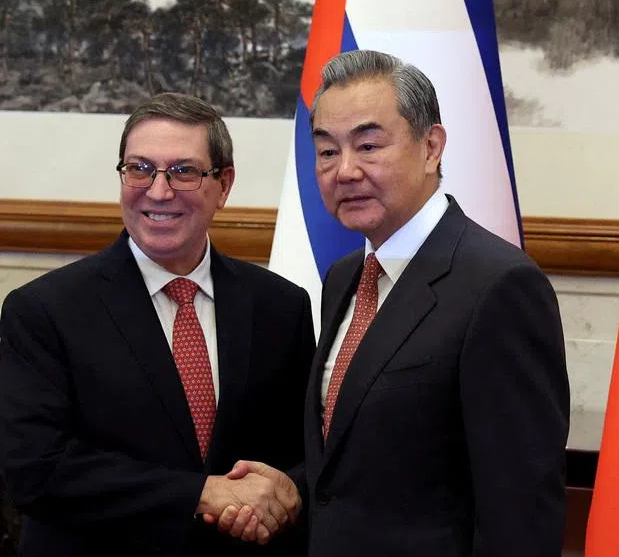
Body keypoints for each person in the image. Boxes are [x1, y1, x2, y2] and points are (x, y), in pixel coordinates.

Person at [227, 49, 570, 555]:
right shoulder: (345, 277)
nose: (345, 170)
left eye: (368, 145)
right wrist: (292, 488)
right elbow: (363, 462)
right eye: (327, 151)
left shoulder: (500, 286)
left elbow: (520, 510)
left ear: (431, 147)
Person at [0, 92, 315, 555]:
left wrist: (285, 492)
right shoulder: (44, 311)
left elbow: (306, 450)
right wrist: (202, 493)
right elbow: (36, 470)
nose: (159, 191)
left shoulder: (281, 306)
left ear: (224, 185)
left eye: (184, 171)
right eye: (140, 168)